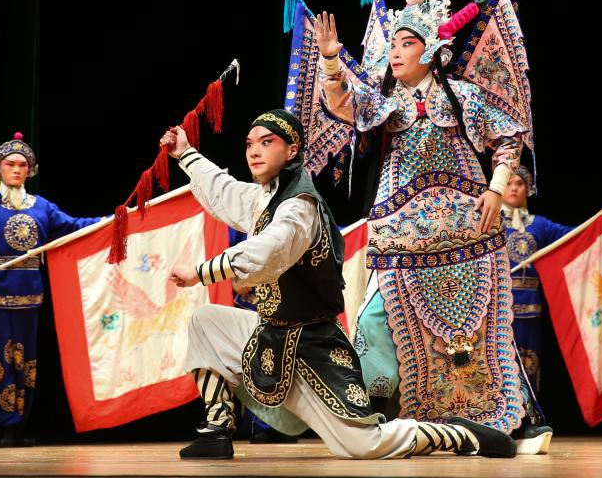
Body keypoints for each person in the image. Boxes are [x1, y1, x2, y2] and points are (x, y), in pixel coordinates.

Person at [164, 109, 515, 460]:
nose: (254, 151)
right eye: (249, 144)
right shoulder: (265, 198)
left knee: (363, 444)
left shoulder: (300, 205)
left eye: (266, 142)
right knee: (205, 322)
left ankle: (460, 434)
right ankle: (217, 429)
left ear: (292, 149)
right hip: (272, 335)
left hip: (313, 346)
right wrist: (185, 153)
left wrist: (202, 271)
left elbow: (268, 249)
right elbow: (224, 191)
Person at [313, 0, 545, 444]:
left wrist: (496, 188)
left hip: (469, 229)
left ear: (432, 49)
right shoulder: (383, 99)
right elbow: (342, 102)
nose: (396, 53)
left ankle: (515, 416)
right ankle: (372, 413)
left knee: (486, 323)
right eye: (393, 45)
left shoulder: (463, 96)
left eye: (407, 44)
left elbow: (508, 138)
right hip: (401, 232)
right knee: (375, 318)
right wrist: (331, 59)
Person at [0, 132, 102, 447]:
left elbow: (74, 227)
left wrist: (111, 220)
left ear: (30, 170)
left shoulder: (42, 208)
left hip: (31, 299)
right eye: (10, 164)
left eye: (22, 165)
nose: (16, 169)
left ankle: (17, 428)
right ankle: (0, 425)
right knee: (0, 363)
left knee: (27, 364)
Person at [501, 166, 571, 395]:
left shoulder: (538, 225)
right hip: (498, 308)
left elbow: (573, 236)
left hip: (531, 309)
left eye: (519, 183)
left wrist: (600, 221)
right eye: (508, 183)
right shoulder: (490, 222)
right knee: (501, 366)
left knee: (529, 364)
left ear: (528, 189)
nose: (513, 188)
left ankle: (530, 412)